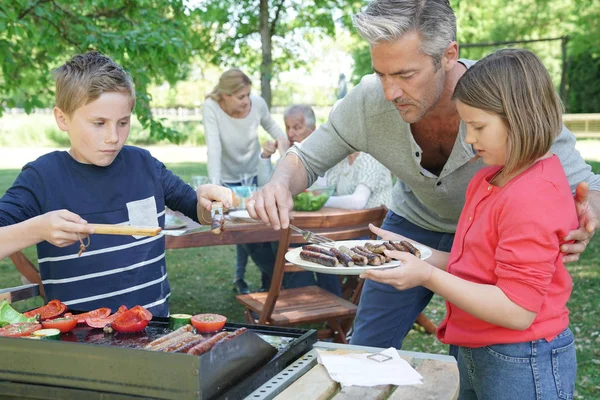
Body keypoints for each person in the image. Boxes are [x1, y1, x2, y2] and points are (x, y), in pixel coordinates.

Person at [247, 0, 599, 350]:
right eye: (381, 73)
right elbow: (304, 159)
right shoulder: (367, 102)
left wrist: (588, 214)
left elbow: (589, 187)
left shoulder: (507, 97)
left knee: (478, 346)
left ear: (448, 54)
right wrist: (279, 183)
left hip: (487, 236)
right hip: (411, 225)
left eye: (405, 74)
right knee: (367, 345)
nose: (389, 92)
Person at [363, 48, 577, 399]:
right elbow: (477, 268)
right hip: (477, 351)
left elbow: (518, 310)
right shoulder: (488, 180)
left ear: (522, 117)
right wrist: (412, 252)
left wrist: (428, 277)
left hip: (524, 360)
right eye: (466, 125)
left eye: (478, 126)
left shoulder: (533, 196)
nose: (468, 139)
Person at [0, 51, 233, 317]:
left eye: (123, 122)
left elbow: (199, 211)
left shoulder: (145, 165)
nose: (113, 137)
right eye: (99, 123)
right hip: (78, 340)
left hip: (153, 329)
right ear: (62, 118)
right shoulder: (42, 177)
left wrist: (208, 202)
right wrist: (37, 229)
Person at [203, 68, 289, 294]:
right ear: (225, 95)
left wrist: (283, 149)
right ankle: (256, 277)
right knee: (240, 233)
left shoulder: (257, 104)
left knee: (258, 230)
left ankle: (268, 283)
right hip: (226, 181)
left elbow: (275, 130)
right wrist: (215, 188)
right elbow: (214, 148)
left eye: (248, 95)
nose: (247, 101)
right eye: (241, 97)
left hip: (252, 176)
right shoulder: (211, 108)